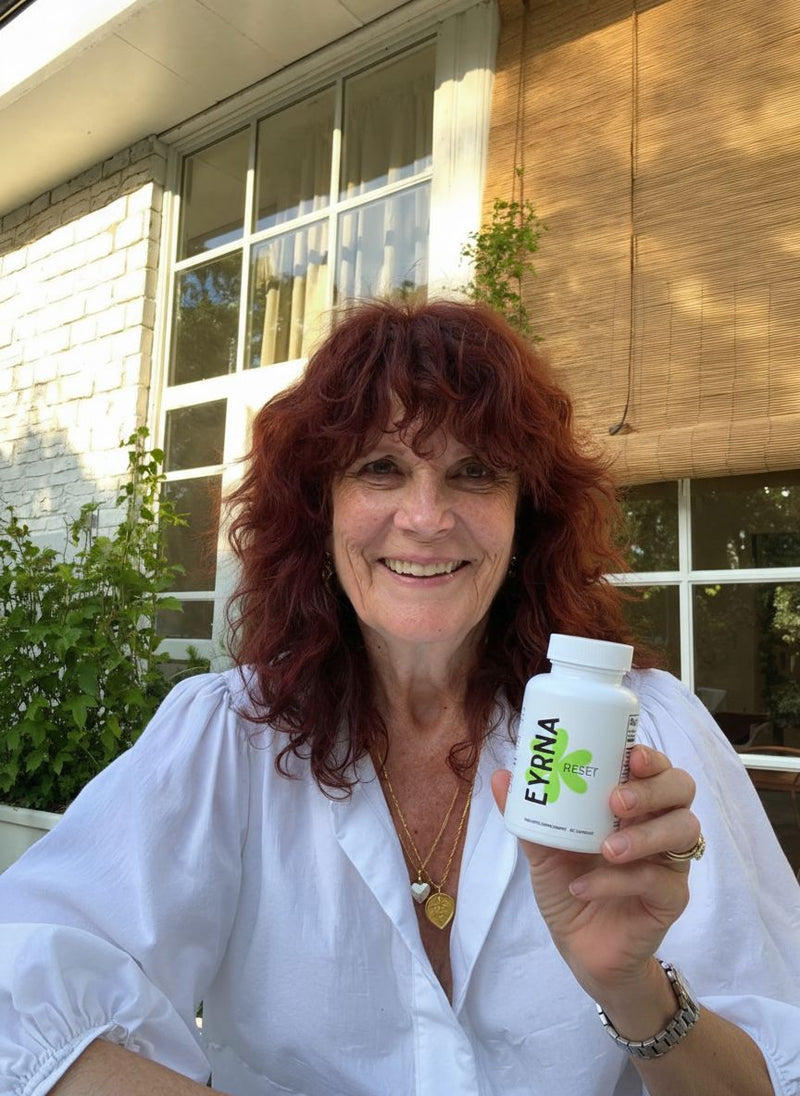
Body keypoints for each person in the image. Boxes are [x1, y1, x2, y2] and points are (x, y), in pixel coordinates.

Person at [0, 299, 798, 1096]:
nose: (425, 517)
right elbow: (19, 995)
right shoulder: (230, 737)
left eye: (474, 472)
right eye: (379, 468)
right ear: (321, 509)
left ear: (525, 517)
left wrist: (634, 990)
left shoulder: (647, 731)